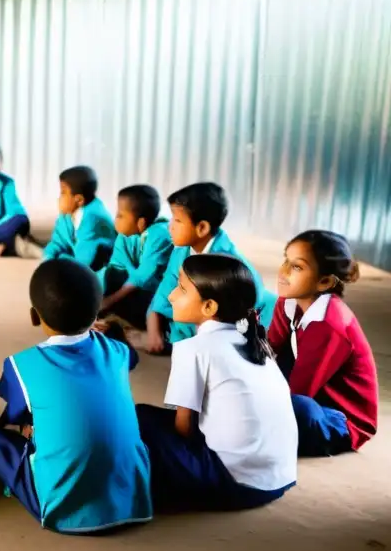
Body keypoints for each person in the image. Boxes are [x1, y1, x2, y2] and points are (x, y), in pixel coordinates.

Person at [0, 259, 152, 533]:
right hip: (132, 498)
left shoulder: (21, 363)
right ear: (96, 313)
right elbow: (131, 358)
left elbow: (16, 416)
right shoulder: (118, 352)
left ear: (34, 316)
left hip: (60, 504)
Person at [135, 255, 297, 511]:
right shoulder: (257, 343)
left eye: (182, 289)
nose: (172, 296)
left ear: (209, 306)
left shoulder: (193, 348)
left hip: (234, 484)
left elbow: (184, 429)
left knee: (138, 418)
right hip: (278, 479)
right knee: (151, 418)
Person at [269, 230, 377, 456]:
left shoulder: (331, 325)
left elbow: (300, 390)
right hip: (306, 393)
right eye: (285, 260)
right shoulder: (287, 302)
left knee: (297, 410)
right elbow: (269, 351)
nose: (283, 271)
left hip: (338, 418)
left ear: (324, 281)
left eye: (297, 267)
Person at [146, 182, 275, 353]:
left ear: (202, 228)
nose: (170, 226)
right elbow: (165, 290)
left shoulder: (226, 264)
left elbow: (230, 317)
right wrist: (154, 331)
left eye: (177, 220)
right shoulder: (181, 251)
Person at [96, 185, 173, 329]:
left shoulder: (161, 235)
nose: (116, 219)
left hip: (154, 292)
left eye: (120, 215)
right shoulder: (126, 235)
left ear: (141, 222)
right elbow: (116, 266)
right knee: (108, 275)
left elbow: (143, 277)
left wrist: (109, 301)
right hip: (132, 287)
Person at [16, 166, 116, 268]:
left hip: (101, 269)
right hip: (78, 258)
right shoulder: (67, 214)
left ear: (79, 200)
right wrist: (48, 258)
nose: (59, 198)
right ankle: (37, 250)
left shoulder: (93, 218)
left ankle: (35, 250)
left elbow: (83, 262)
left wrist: (60, 258)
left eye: (63, 193)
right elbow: (57, 242)